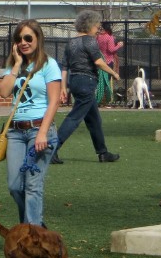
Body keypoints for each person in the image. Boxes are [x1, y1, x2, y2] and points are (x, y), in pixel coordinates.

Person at [0, 20, 62, 226]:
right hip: (15, 133)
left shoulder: (49, 65)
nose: (23, 43)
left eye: (28, 38)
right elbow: (4, 92)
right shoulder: (14, 65)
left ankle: (32, 234)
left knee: (33, 186)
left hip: (39, 130)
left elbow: (54, 102)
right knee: (15, 186)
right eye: (19, 39)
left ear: (38, 39)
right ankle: (33, 227)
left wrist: (42, 133)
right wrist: (16, 65)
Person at [52, 10, 121, 164]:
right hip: (86, 82)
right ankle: (52, 149)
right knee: (74, 117)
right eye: (97, 26)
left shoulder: (71, 43)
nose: (98, 29)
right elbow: (98, 62)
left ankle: (103, 153)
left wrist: (64, 87)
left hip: (75, 81)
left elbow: (64, 67)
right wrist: (114, 73)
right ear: (89, 26)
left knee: (94, 119)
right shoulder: (90, 41)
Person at [95, 21, 124, 106]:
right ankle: (104, 101)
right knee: (106, 82)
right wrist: (119, 45)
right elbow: (111, 49)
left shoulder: (98, 37)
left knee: (99, 82)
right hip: (108, 62)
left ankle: (99, 99)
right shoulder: (109, 37)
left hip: (100, 61)